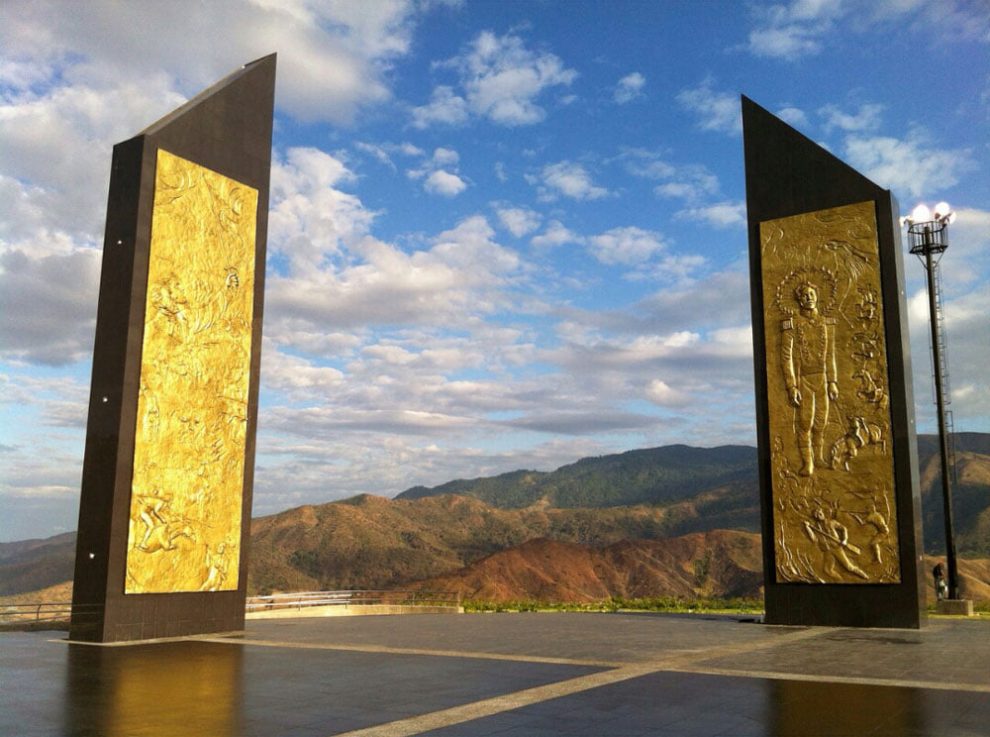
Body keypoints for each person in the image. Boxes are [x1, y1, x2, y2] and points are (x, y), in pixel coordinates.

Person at [781, 281, 838, 476]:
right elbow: (786, 357)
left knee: (821, 421)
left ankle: (819, 457)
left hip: (821, 377)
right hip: (803, 378)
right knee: (805, 422)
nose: (809, 298)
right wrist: (791, 386)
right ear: (799, 299)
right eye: (804, 295)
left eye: (811, 294)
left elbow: (830, 354)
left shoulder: (826, 323)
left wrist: (832, 382)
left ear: (817, 295)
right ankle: (808, 463)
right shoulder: (792, 324)